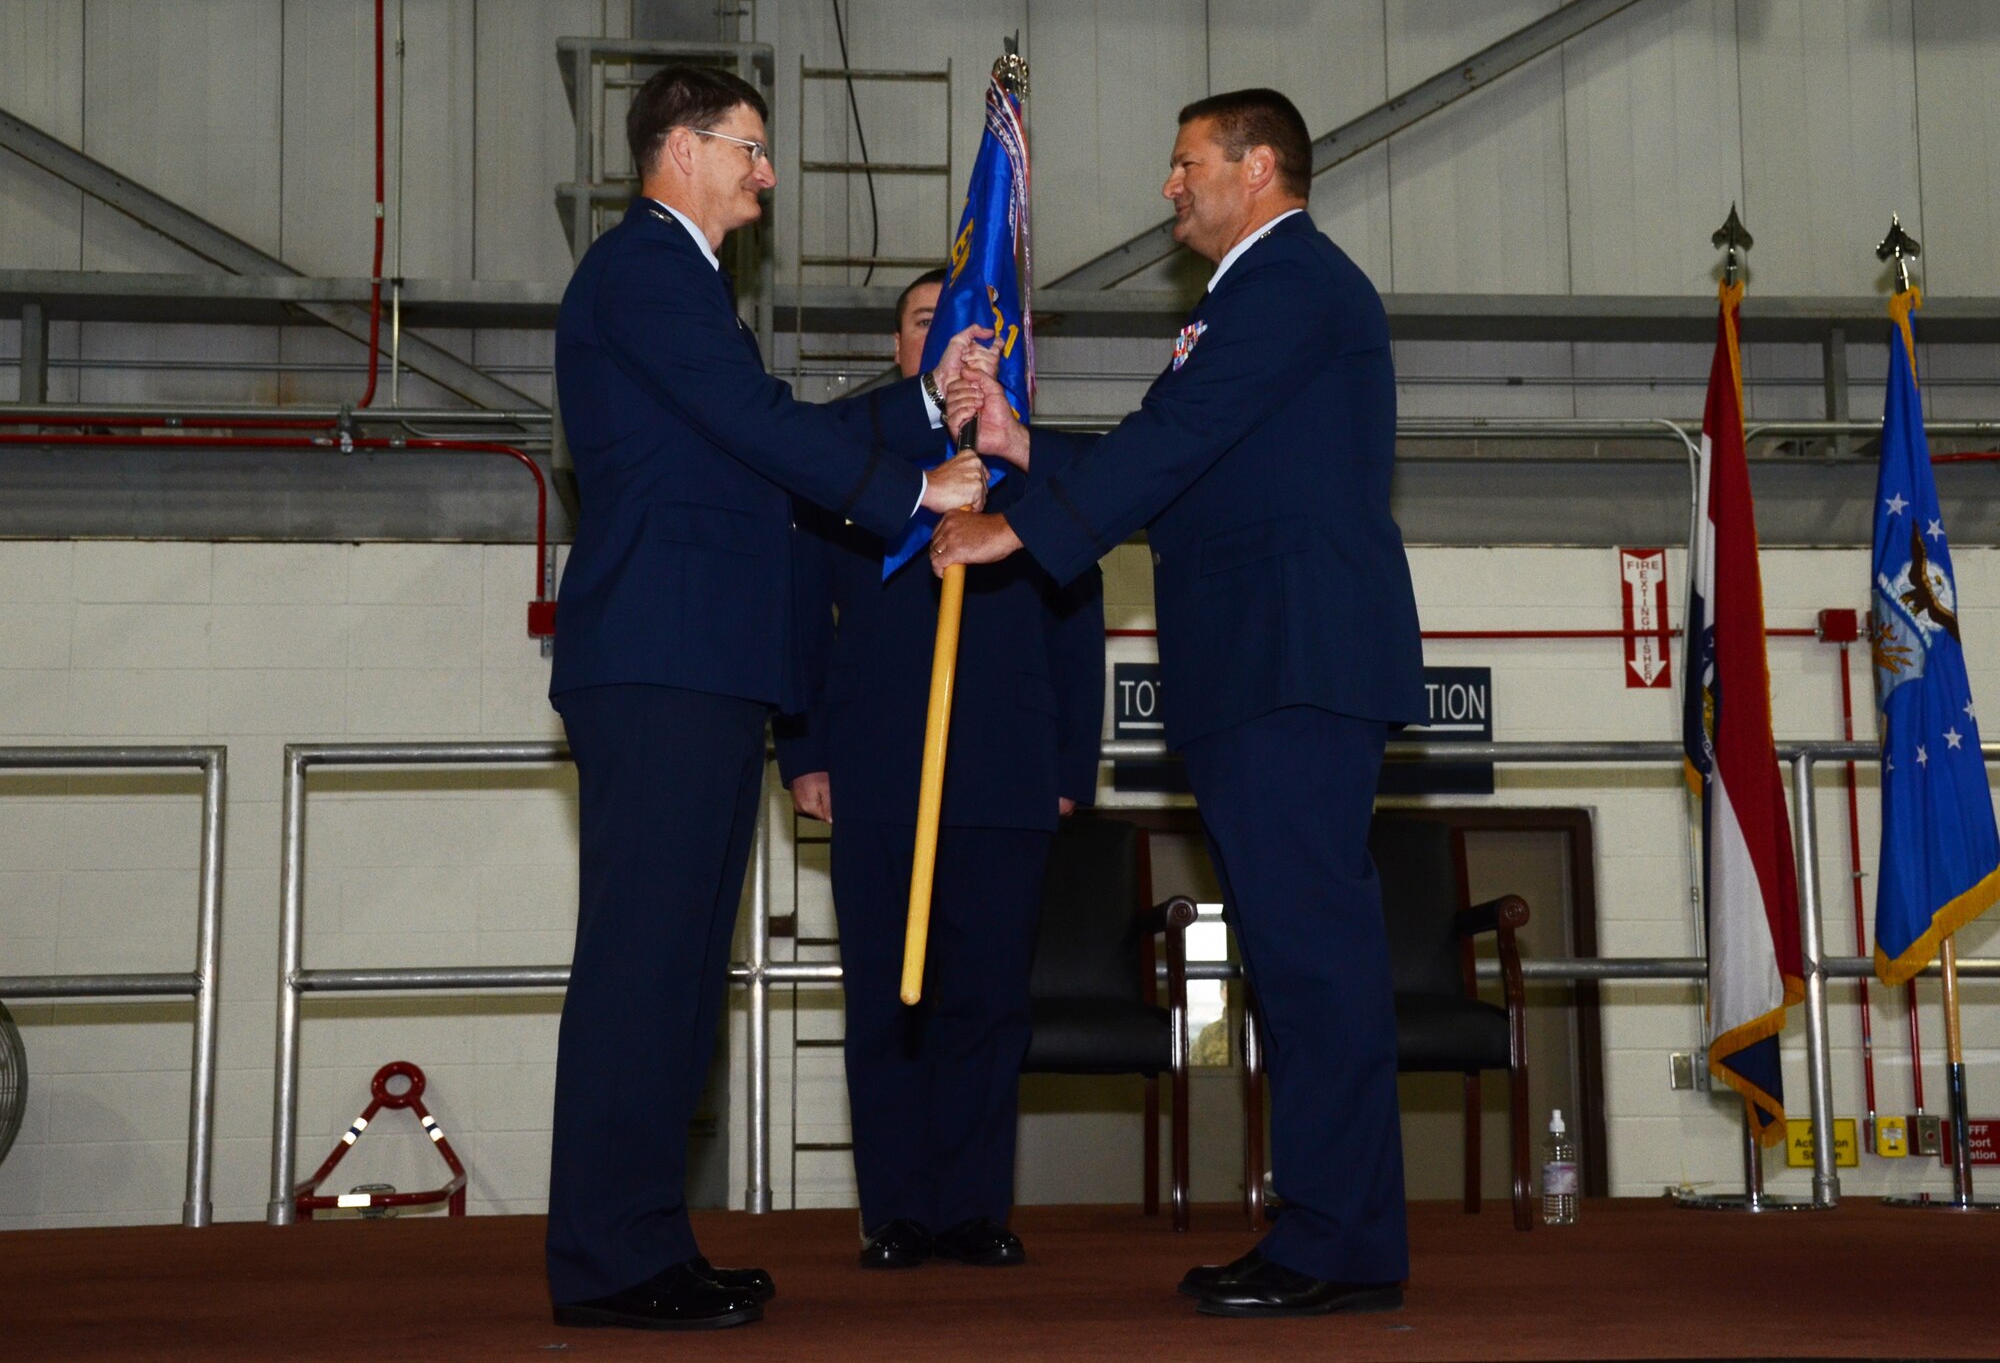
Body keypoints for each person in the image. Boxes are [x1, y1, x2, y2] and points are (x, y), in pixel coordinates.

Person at [932, 87, 1426, 1320]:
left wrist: (1015, 524)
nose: (1169, 186)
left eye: (1186, 162)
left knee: (1313, 957)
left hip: (1292, 664)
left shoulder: (1289, 285)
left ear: (1257, 168)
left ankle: (1335, 1239)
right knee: (1297, 954)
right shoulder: (1255, 297)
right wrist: (1027, 445)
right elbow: (1190, 456)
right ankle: (1333, 1230)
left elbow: (1175, 439)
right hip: (1261, 666)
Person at [546, 65, 993, 1333]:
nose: (768, 172)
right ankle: (608, 1258)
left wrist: (917, 406)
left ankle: (640, 1241)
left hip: (694, 658)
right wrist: (918, 491)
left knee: (680, 972)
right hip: (661, 655)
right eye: (749, 148)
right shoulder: (644, 271)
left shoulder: (678, 283)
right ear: (679, 149)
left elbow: (757, 431)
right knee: (646, 966)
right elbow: (756, 426)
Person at [774, 268, 1104, 1272]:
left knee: (988, 999)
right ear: (898, 344)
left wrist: (1068, 763)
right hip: (874, 759)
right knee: (887, 992)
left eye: (973, 328)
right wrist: (804, 748)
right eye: (928, 323)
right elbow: (800, 606)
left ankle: (970, 1208)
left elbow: (1075, 619)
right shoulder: (845, 443)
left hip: (1007, 761)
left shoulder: (1035, 456)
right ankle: (898, 1211)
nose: (954, 343)